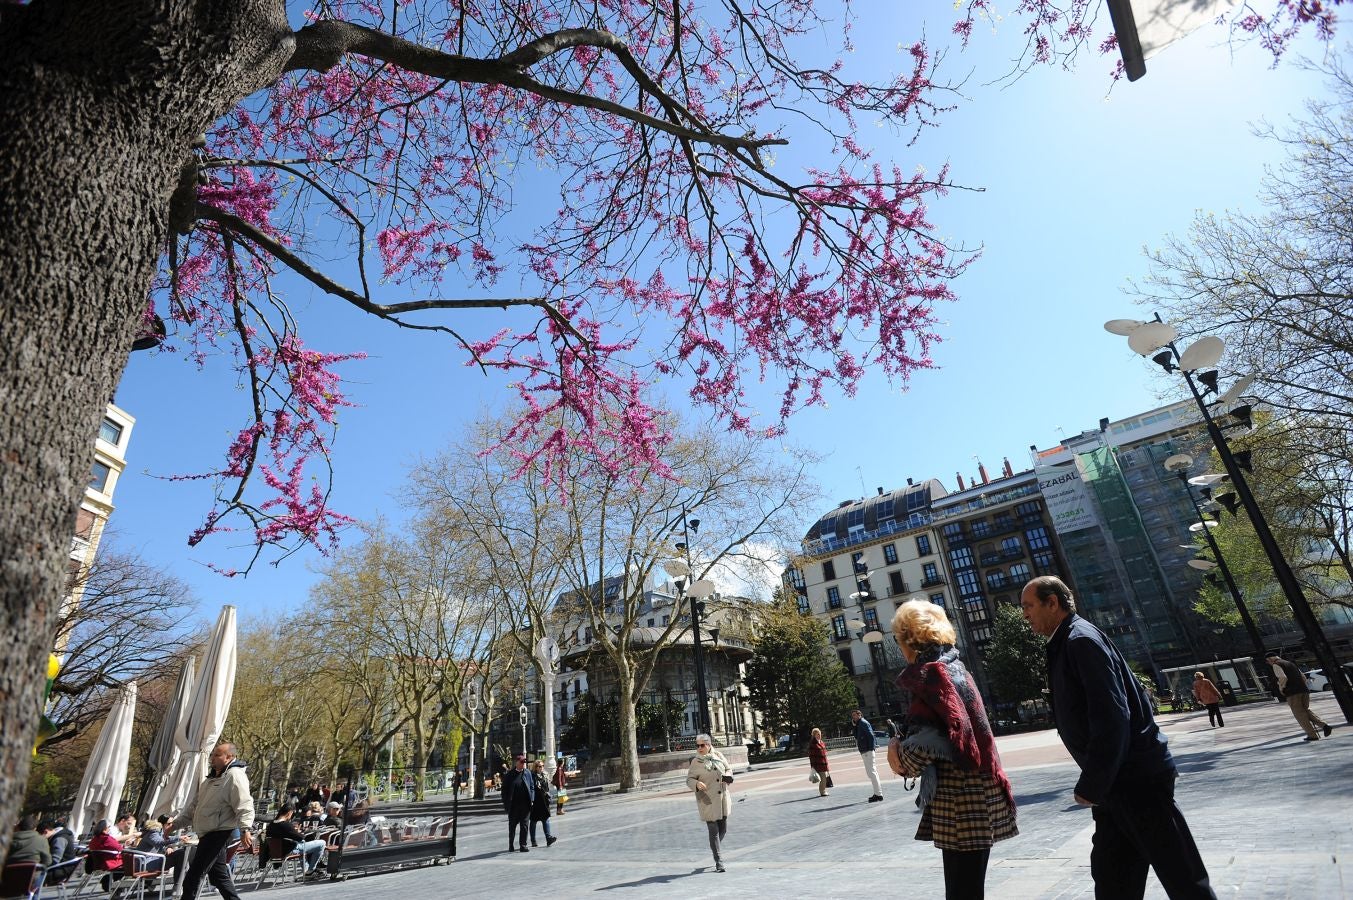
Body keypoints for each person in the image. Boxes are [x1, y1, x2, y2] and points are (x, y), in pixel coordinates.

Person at [1021, 576, 1215, 899]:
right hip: (1116, 785)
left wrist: (1092, 783)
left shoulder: (1079, 640)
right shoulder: (1068, 641)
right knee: (1114, 879)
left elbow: (1112, 716)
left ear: (1052, 603)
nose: (1025, 615)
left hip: (1135, 781)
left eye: (1028, 606)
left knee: (1182, 877)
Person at [886, 599, 1017, 900]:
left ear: (911, 638)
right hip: (979, 791)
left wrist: (896, 752)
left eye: (898, 638)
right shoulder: (956, 667)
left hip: (961, 801)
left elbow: (924, 749)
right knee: (968, 886)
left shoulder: (932, 675)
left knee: (962, 890)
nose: (898, 646)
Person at [172, 741, 256, 900]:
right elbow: (194, 808)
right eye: (212, 755)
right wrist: (175, 824)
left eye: (217, 755)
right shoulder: (210, 779)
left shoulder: (234, 775)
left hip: (219, 833)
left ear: (229, 756)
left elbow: (244, 803)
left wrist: (246, 829)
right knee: (219, 877)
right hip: (208, 834)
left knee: (193, 877)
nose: (212, 758)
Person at [685, 734, 733, 873]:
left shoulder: (718, 755)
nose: (699, 748)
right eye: (697, 745)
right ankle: (719, 861)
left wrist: (728, 776)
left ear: (709, 744)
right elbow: (689, 780)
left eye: (702, 745)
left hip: (722, 799)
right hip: (707, 800)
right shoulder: (695, 762)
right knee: (713, 831)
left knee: (722, 829)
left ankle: (715, 847)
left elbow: (728, 769)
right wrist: (696, 783)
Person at [1265, 650, 1332, 742]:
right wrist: (1301, 686)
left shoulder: (1276, 665)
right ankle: (1324, 726)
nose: (1268, 663)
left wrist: (1282, 688)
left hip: (1292, 693)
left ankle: (1312, 735)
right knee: (1305, 711)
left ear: (1270, 659)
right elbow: (1303, 677)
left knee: (1300, 715)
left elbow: (1283, 677)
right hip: (1304, 690)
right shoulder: (1290, 663)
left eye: (1268, 661)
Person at [264, 804, 327, 877]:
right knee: (322, 843)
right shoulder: (285, 825)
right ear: (289, 813)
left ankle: (307, 871)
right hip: (290, 851)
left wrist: (294, 832)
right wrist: (299, 831)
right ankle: (311, 870)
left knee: (302, 844)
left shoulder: (271, 825)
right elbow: (301, 837)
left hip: (276, 853)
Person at [501, 755, 533, 852]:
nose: (523, 764)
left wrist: (532, 799)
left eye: (524, 762)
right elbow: (504, 791)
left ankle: (523, 845)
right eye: (522, 762)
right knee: (512, 826)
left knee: (524, 825)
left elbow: (532, 787)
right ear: (516, 762)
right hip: (513, 806)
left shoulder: (527, 773)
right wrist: (506, 803)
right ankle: (511, 844)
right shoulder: (509, 775)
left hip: (525, 805)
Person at [849, 709, 883, 802]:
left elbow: (871, 736)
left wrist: (871, 748)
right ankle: (878, 793)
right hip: (865, 751)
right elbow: (856, 736)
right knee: (870, 773)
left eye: (855, 715)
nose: (853, 717)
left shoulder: (863, 723)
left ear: (860, 715)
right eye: (852, 716)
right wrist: (854, 726)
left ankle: (878, 794)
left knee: (872, 772)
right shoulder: (859, 724)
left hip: (868, 751)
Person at [83, 819, 125, 892]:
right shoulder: (107, 838)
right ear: (105, 829)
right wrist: (125, 845)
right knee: (129, 866)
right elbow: (119, 848)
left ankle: (110, 883)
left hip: (97, 864)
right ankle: (110, 881)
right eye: (109, 827)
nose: (109, 829)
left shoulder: (94, 839)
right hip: (109, 863)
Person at [38, 819, 78, 884]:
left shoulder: (59, 839)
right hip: (64, 867)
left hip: (62, 869)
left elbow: (55, 860)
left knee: (33, 876)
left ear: (46, 832)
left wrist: (41, 866)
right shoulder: (58, 836)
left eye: (41, 836)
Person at [528, 760, 557, 847]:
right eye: (540, 766)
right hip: (536, 803)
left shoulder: (544, 775)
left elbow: (546, 787)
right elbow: (531, 788)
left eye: (542, 766)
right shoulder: (532, 776)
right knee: (533, 821)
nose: (542, 768)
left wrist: (548, 795)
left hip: (544, 802)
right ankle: (533, 840)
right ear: (535, 767)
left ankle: (548, 838)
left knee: (546, 819)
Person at [807, 728, 831, 797]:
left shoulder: (821, 742)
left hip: (824, 763)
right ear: (814, 735)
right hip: (818, 764)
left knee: (824, 778)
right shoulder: (813, 744)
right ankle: (822, 791)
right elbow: (811, 756)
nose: (819, 735)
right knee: (823, 778)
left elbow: (824, 752)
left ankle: (823, 790)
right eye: (817, 734)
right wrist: (813, 767)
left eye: (820, 734)